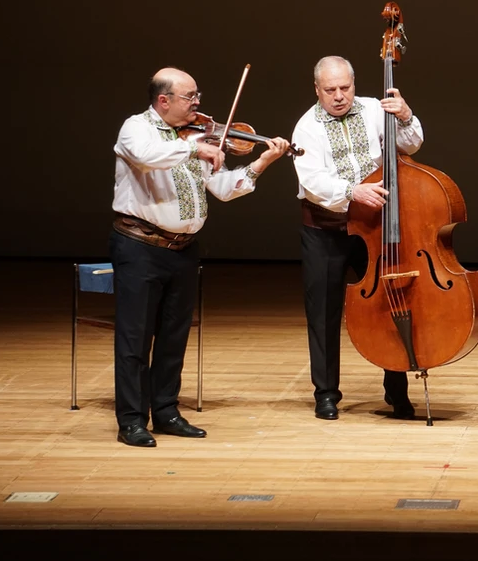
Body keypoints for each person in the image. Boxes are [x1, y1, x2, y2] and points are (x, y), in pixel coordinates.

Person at [111, 67, 289, 447]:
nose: (198, 105)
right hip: (141, 247)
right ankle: (131, 420)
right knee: (135, 338)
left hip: (182, 250)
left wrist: (260, 164)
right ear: (164, 100)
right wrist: (196, 146)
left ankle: (166, 411)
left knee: (174, 337)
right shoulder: (137, 130)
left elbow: (222, 189)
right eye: (190, 98)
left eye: (197, 97)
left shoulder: (194, 136)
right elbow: (146, 158)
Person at [292, 55, 422, 421]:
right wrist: (353, 191)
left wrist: (406, 116)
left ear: (354, 83)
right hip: (326, 230)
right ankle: (326, 394)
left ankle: (396, 389)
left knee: (390, 303)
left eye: (345, 88)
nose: (339, 96)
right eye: (330, 90)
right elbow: (313, 182)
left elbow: (410, 146)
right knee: (324, 313)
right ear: (317, 89)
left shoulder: (372, 109)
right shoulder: (306, 127)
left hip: (373, 227)